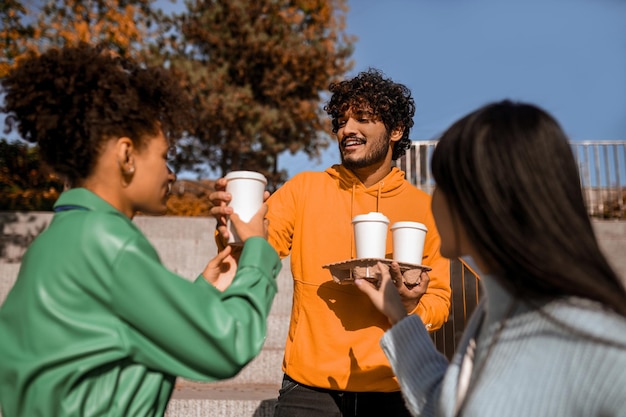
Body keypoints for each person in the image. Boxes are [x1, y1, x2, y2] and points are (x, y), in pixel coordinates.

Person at [0, 44, 281, 417]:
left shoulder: (60, 238)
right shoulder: (105, 243)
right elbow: (227, 343)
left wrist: (206, 292)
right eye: (164, 155)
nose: (171, 173)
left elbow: (119, 336)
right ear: (126, 155)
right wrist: (259, 251)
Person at [356, 100, 626, 417]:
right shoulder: (495, 312)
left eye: (441, 184)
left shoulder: (603, 345)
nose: (431, 199)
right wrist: (398, 314)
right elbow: (443, 406)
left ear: (483, 198)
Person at [210, 69, 451, 416]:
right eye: (341, 121)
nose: (347, 129)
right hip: (307, 388)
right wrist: (228, 228)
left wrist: (412, 307)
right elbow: (252, 253)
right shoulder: (304, 189)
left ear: (396, 130)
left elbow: (440, 300)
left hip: (393, 384)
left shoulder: (424, 208)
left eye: (363, 118)